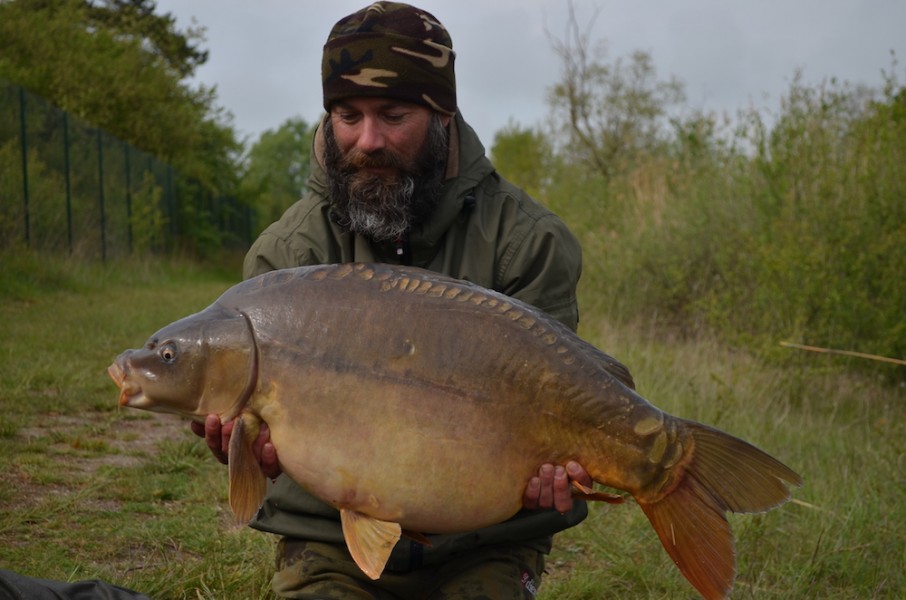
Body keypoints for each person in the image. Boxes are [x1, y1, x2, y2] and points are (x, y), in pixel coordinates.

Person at [191, 2, 594, 598]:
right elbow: (227, 409)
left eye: (393, 114)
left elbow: (565, 406)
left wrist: (559, 472)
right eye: (347, 115)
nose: (367, 140)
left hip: (485, 539)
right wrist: (241, 445)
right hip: (328, 537)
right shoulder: (287, 255)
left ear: (443, 113)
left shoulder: (525, 241)